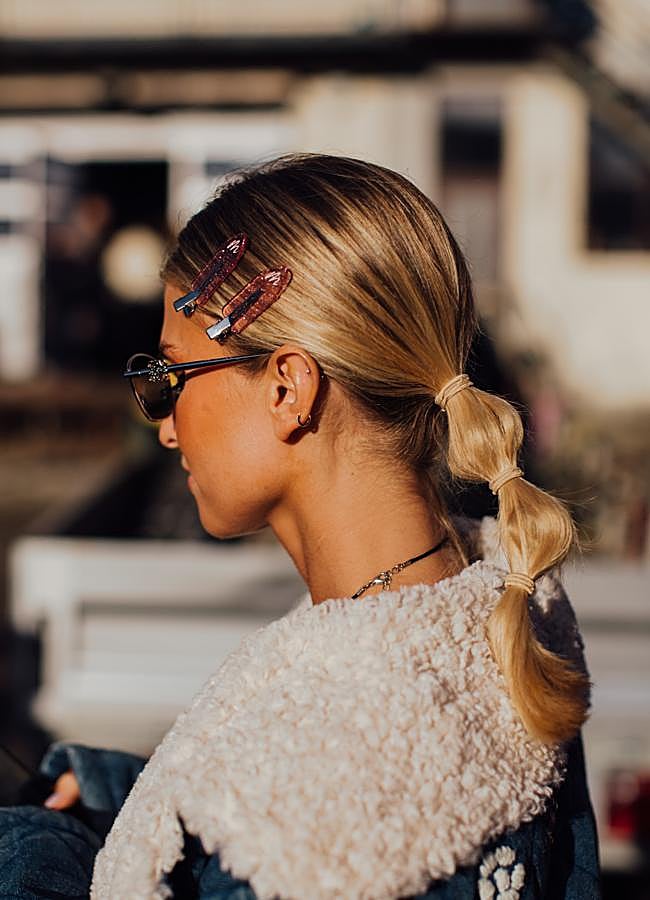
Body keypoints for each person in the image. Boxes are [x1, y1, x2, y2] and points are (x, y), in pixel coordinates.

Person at [0, 153, 600, 899]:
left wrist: (34, 854)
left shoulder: (324, 814)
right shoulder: (496, 610)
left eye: (169, 379)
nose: (163, 428)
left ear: (289, 388)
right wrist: (121, 802)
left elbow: (288, 816)